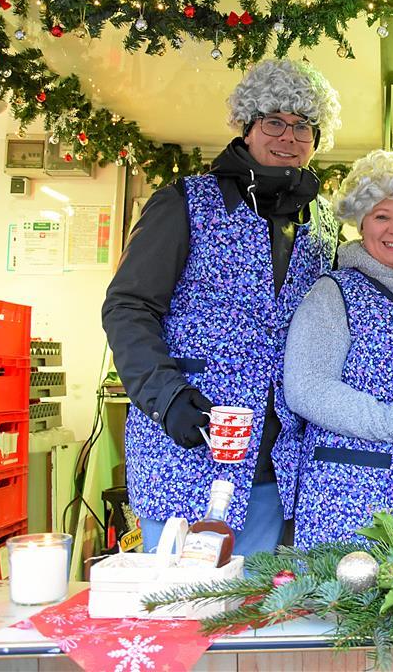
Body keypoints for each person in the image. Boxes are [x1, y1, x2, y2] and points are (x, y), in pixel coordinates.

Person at [102, 59, 342, 555]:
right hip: (189, 439)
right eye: (274, 121)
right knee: (178, 604)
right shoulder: (184, 201)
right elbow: (128, 306)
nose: (288, 136)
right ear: (248, 126)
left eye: (303, 126)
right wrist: (166, 397)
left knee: (250, 613)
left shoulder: (322, 221)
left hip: (277, 457)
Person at [284, 151, 393, 549]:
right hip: (352, 501)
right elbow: (306, 387)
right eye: (382, 216)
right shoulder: (332, 292)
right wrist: (392, 420)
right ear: (361, 223)